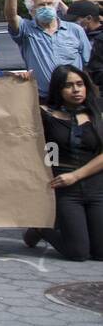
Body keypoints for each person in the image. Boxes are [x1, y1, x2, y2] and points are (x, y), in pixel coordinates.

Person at [24, 65, 103, 261]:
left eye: (80, 84)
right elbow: (11, 112)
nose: (76, 90)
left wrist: (76, 175)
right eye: (68, 86)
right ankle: (41, 228)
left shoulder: (97, 114)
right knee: (79, 253)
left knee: (100, 253)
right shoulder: (45, 114)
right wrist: (20, 83)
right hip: (65, 191)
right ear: (58, 89)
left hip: (96, 189)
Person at [6, 0, 90, 100]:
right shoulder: (26, 30)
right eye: (41, 5)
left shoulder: (75, 30)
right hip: (44, 99)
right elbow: (11, 17)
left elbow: (88, 64)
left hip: (75, 98)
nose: (46, 7)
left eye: (49, 4)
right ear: (32, 10)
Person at [64, 0, 103, 88]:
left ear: (88, 18)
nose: (71, 24)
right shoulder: (77, 36)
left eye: (74, 20)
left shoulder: (100, 39)